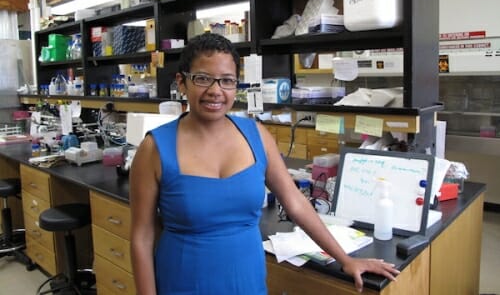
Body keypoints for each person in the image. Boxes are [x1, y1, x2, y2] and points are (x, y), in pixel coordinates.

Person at [130, 33, 400, 294]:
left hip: (247, 283)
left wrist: (344, 258)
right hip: (183, 283)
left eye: (227, 81)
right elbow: (142, 238)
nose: (216, 91)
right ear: (181, 82)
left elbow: (295, 203)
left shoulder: (255, 134)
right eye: (203, 79)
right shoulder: (155, 148)